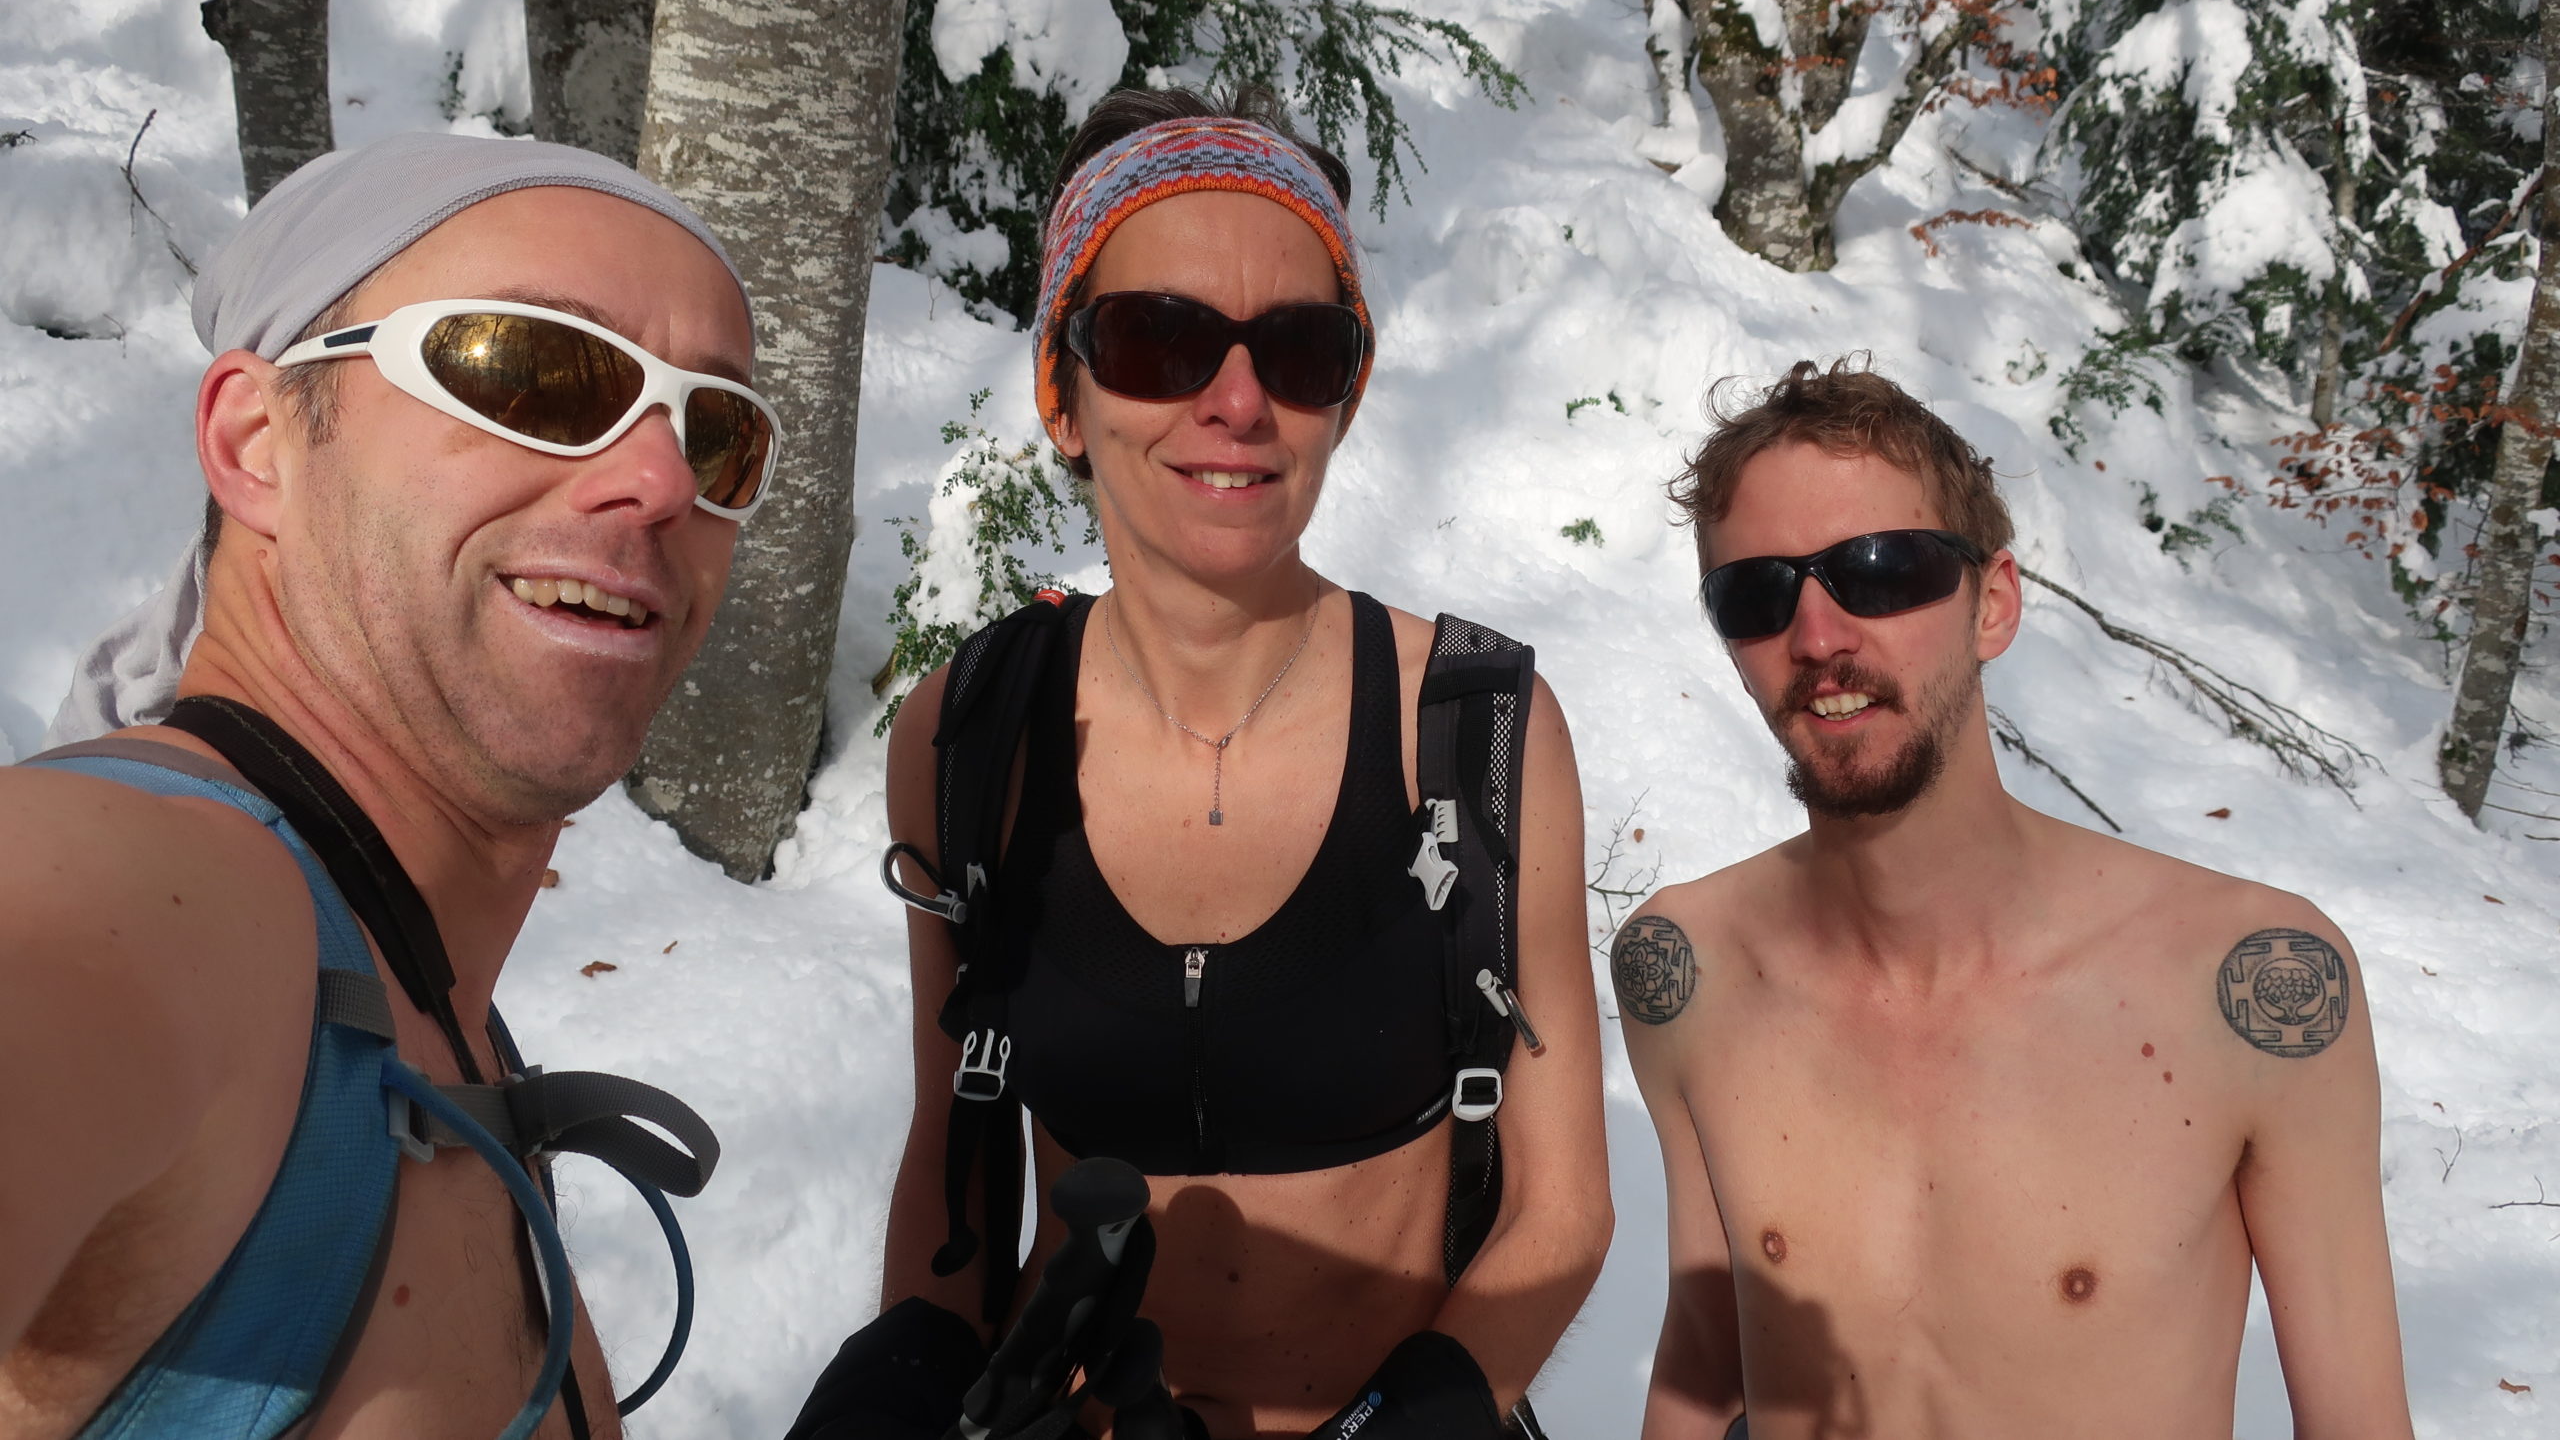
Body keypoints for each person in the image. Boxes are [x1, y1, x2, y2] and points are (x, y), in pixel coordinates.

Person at [792, 89, 1611, 1440]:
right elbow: (960, 1153)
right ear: (1063, 391)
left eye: (1297, 347)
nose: (1236, 399)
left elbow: (1564, 1201)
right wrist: (914, 1368)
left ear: (1342, 397)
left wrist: (1417, 1416)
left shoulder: (1474, 726)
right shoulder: (969, 732)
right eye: (1160, 337)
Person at [0, 134, 765, 1439]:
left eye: (720, 430)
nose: (661, 480)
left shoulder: (412, 995)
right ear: (256, 441)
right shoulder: (143, 900)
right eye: (533, 369)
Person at [1616, 358, 2414, 1439]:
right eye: (1757, 595)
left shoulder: (2251, 987)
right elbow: (1709, 1352)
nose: (1817, 637)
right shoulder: (1685, 967)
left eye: (1882, 569)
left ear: (1991, 604)